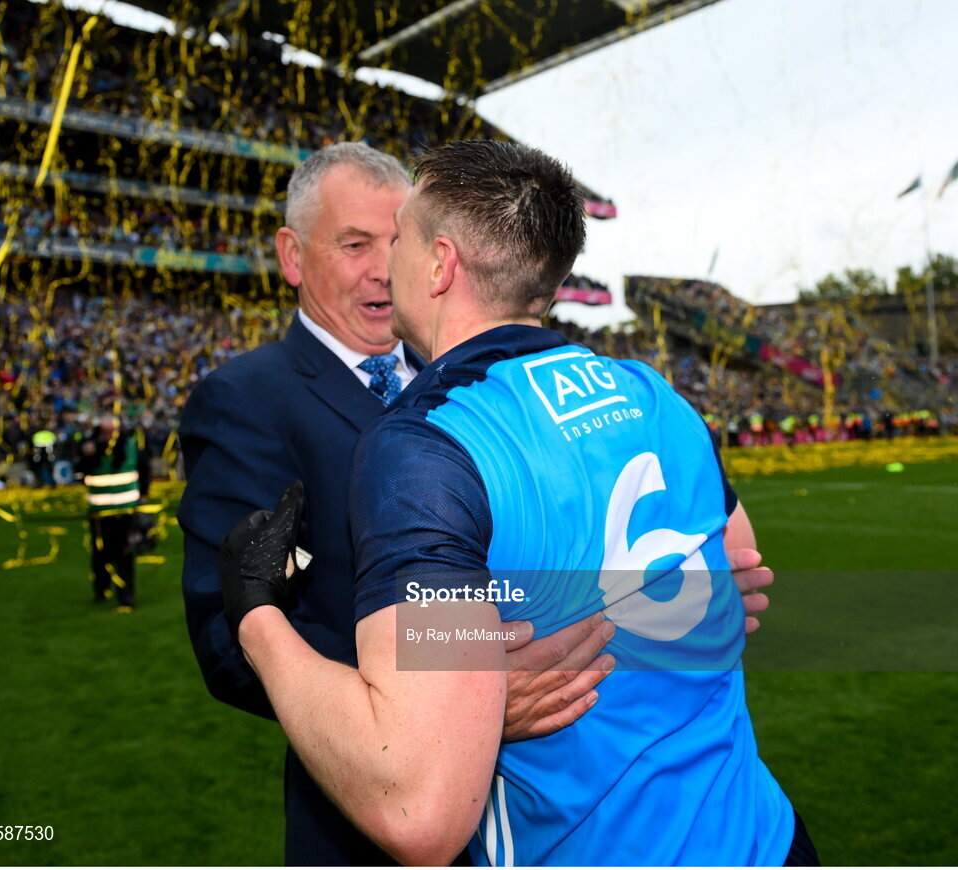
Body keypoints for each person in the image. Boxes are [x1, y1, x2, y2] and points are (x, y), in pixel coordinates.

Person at [226, 141, 812, 866]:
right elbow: (737, 568)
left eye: (401, 235)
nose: (387, 262)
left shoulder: (427, 444)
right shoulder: (652, 391)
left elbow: (420, 809)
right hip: (763, 838)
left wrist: (258, 615)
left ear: (440, 265)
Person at [178, 142, 631, 866]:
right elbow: (232, 627)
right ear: (292, 257)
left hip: (555, 806)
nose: (383, 268)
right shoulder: (245, 401)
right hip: (369, 828)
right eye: (355, 244)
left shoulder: (490, 378)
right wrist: (457, 701)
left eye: (397, 242)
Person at [75, 413, 141, 611]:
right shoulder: (90, 445)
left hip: (125, 510)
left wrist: (143, 493)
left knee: (124, 554)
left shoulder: (129, 444)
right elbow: (79, 473)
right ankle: (102, 590)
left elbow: (142, 467)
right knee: (101, 554)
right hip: (100, 512)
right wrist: (88, 456)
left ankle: (126, 595)